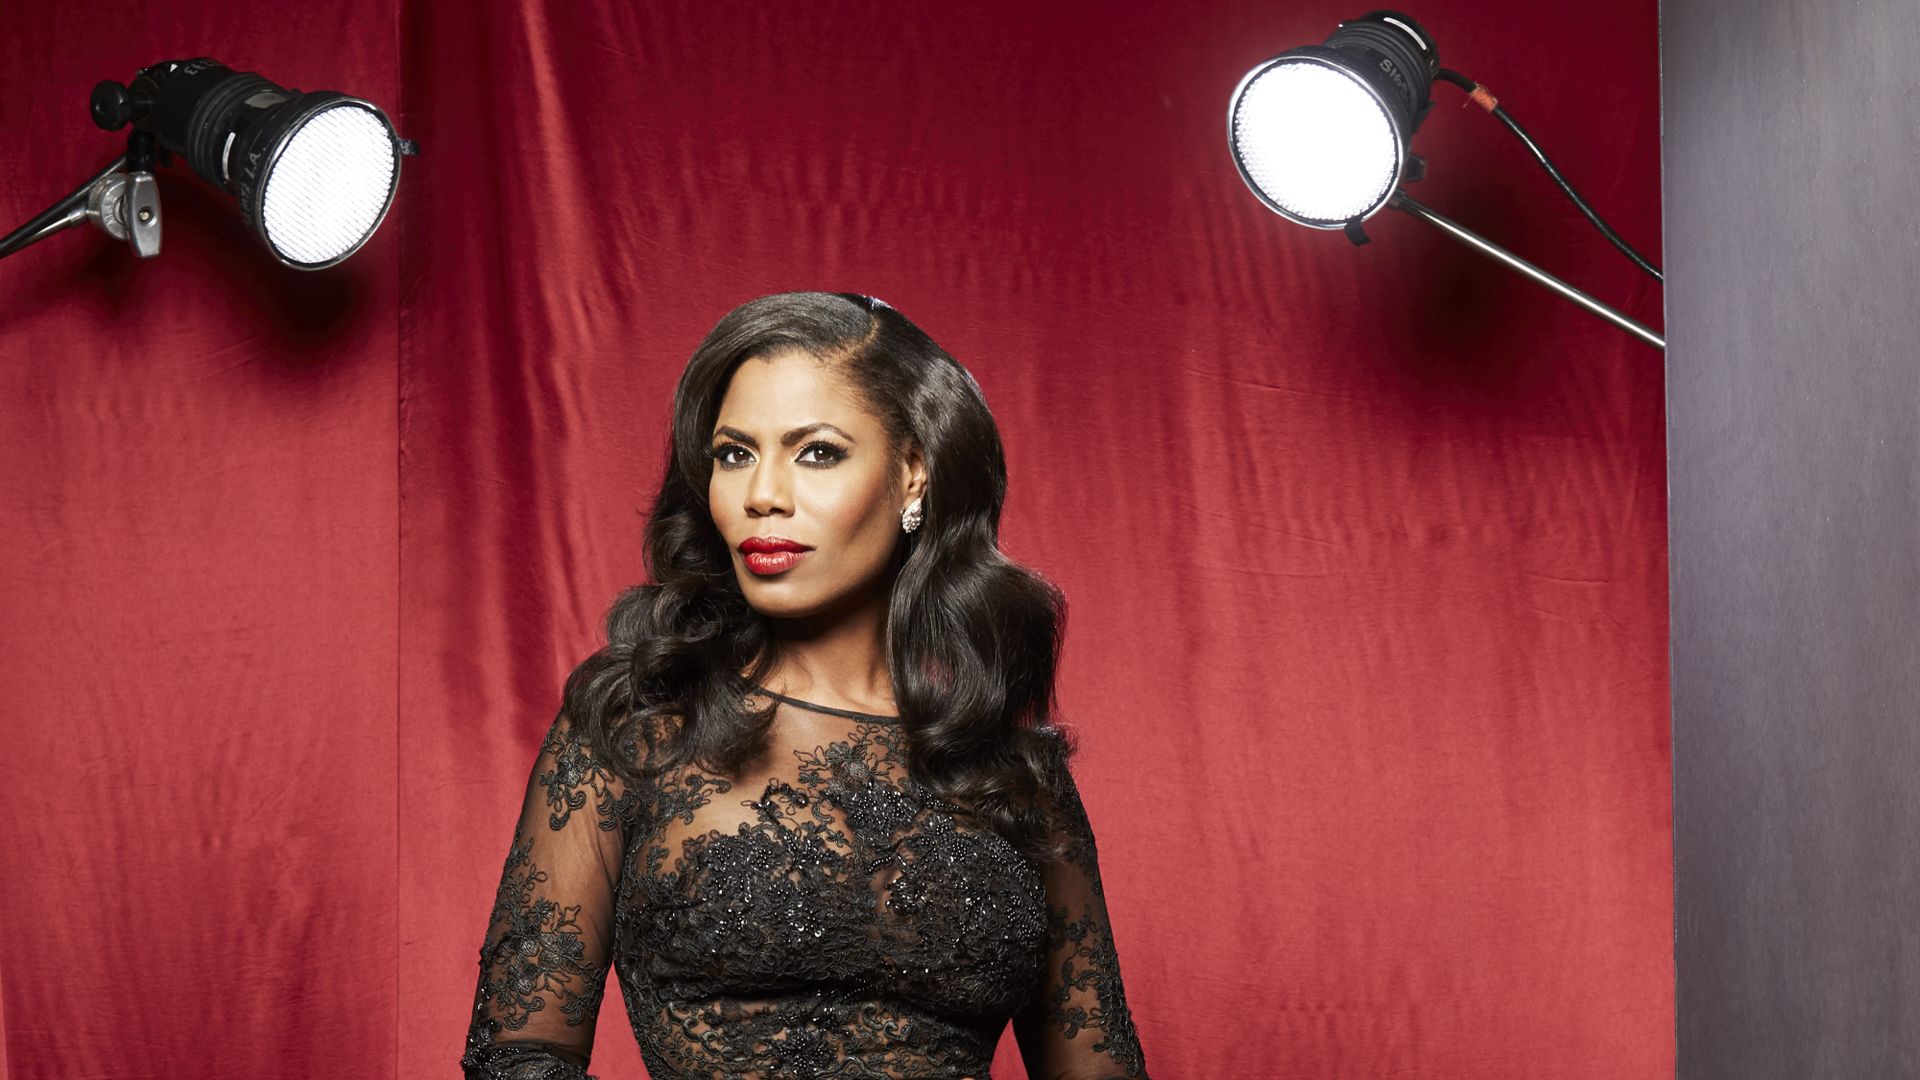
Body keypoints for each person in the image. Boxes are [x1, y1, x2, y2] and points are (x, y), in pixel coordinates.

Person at [459, 292, 1149, 1079]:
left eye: (816, 452)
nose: (762, 495)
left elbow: (1102, 1068)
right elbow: (518, 1054)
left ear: (914, 473)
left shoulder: (1013, 774)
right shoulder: (638, 723)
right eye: (734, 453)